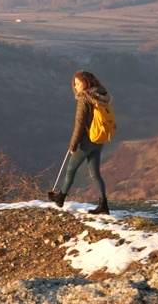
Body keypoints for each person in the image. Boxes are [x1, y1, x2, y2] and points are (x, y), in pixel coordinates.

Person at [48, 70, 112, 215]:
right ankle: (104, 205)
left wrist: (73, 144)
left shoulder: (85, 99)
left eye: (78, 83)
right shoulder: (101, 96)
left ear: (86, 83)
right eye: (74, 84)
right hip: (98, 139)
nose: (75, 87)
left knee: (71, 169)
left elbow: (79, 124)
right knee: (95, 173)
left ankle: (60, 197)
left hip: (86, 141)